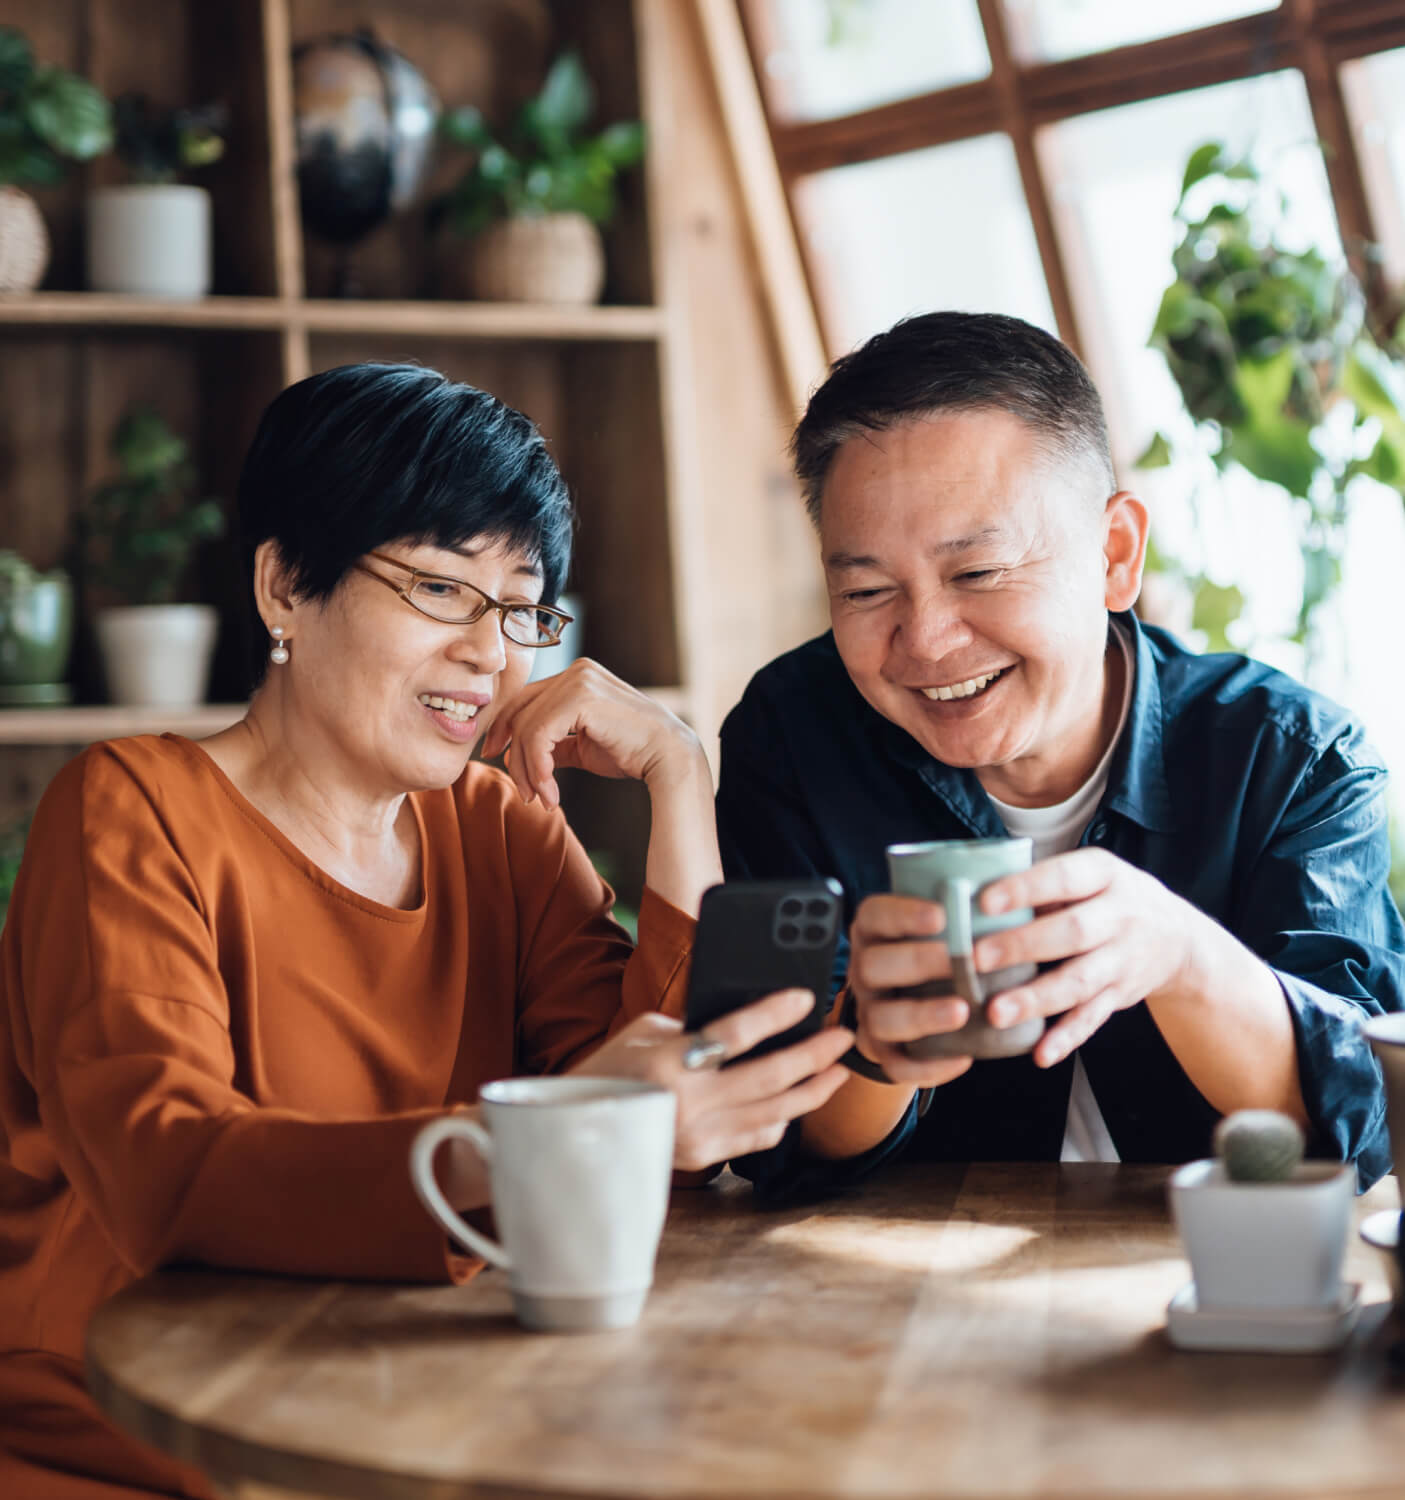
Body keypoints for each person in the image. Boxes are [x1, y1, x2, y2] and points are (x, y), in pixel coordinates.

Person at [0, 363, 853, 1499]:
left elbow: (674, 1136)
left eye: (519, 606)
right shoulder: (129, 811)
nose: (493, 653)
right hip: (145, 1441)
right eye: (443, 590)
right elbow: (170, 1172)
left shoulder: (497, 828)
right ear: (284, 587)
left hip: (413, 1411)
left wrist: (678, 774)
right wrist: (580, 1133)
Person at [716, 311, 1405, 1201]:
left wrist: (1177, 955)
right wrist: (874, 1052)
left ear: (1115, 554)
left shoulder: (1291, 759)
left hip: (1214, 1272)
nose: (923, 641)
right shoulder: (792, 734)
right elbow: (768, 1138)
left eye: (977, 573)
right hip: (900, 1291)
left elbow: (1359, 1128)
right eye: (866, 589)